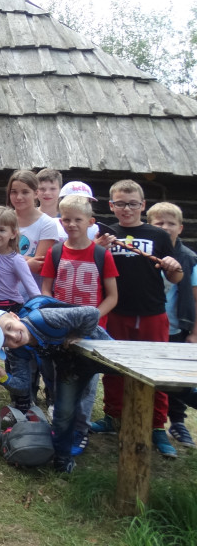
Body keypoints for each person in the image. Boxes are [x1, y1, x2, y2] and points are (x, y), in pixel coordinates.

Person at [90, 180, 183, 458]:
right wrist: (97, 249)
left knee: (156, 369)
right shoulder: (106, 234)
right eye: (120, 203)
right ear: (111, 206)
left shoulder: (158, 235)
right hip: (116, 311)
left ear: (142, 205)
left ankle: (157, 426)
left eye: (132, 203)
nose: (127, 209)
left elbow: (175, 276)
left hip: (152, 312)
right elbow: (91, 267)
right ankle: (113, 416)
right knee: (113, 368)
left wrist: (174, 266)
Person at [0, 297, 112, 474]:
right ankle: (62, 459)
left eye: (9, 327)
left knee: (128, 378)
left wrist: (78, 336)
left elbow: (91, 313)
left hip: (99, 350)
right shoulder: (17, 350)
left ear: (14, 316)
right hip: (70, 366)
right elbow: (22, 386)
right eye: (5, 340)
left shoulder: (44, 318)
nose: (13, 336)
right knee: (63, 412)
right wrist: (5, 378)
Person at [40, 194, 118, 456]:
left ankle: (80, 431)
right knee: (58, 378)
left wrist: (89, 320)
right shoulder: (55, 252)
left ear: (90, 222)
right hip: (61, 330)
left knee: (86, 387)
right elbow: (47, 290)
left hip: (90, 334)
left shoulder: (101, 255)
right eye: (66, 219)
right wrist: (57, 319)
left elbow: (112, 296)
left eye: (78, 219)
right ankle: (60, 426)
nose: (71, 224)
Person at [0, 206, 39, 428]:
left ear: (13, 233)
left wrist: (34, 318)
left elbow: (34, 292)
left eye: (2, 230)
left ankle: (22, 407)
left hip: (10, 312)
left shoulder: (16, 260)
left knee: (15, 362)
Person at [146, 201, 197, 450]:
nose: (165, 228)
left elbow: (196, 299)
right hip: (149, 324)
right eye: (159, 223)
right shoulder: (144, 253)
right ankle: (147, 420)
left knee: (175, 379)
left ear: (181, 227)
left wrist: (194, 333)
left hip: (177, 328)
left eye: (171, 223)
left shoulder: (189, 259)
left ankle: (177, 422)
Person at [6, 170, 58, 288]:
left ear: (36, 193)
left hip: (30, 290)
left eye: (25, 192)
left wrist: (5, 257)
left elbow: (39, 265)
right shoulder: (4, 219)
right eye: (14, 192)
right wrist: (27, 262)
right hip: (3, 288)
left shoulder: (47, 224)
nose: (19, 197)